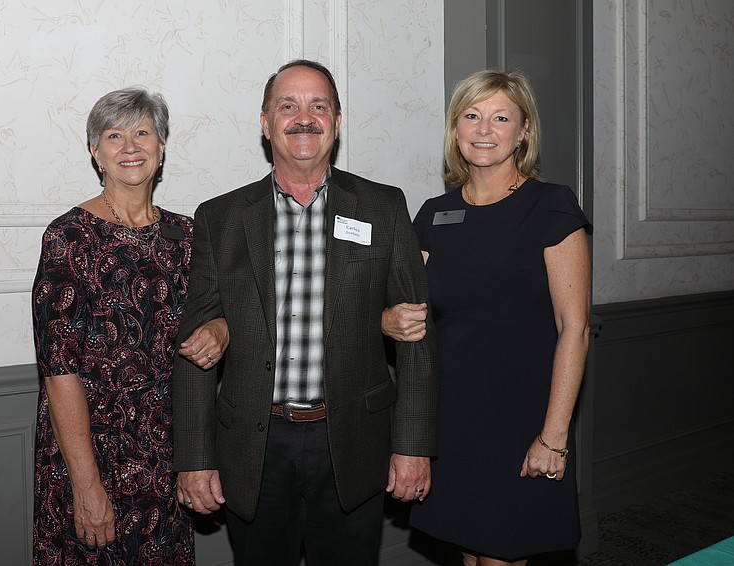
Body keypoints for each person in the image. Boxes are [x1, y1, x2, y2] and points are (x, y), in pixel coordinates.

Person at [172, 59, 438, 566]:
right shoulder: (221, 218)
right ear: (265, 122)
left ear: (337, 123)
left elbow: (416, 338)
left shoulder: (382, 207)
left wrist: (412, 445)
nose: (304, 118)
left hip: (353, 444)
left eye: (319, 106)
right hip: (254, 447)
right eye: (287, 106)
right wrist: (195, 458)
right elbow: (196, 346)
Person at [384, 70, 592, 566]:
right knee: (470, 555)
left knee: (501, 555)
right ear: (456, 129)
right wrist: (386, 320)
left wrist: (554, 437)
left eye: (501, 118)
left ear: (523, 132)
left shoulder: (551, 206)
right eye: (471, 116)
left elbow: (575, 330)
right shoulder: (434, 214)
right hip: (453, 416)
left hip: (522, 416)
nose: (484, 129)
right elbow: (408, 310)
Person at [31, 86, 229, 565]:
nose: (130, 146)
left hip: (166, 453)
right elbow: (58, 372)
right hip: (90, 455)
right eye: (113, 135)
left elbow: (221, 312)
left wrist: (221, 329)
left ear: (161, 148)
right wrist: (87, 485)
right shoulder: (68, 237)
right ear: (95, 152)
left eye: (143, 132)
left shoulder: (189, 235)